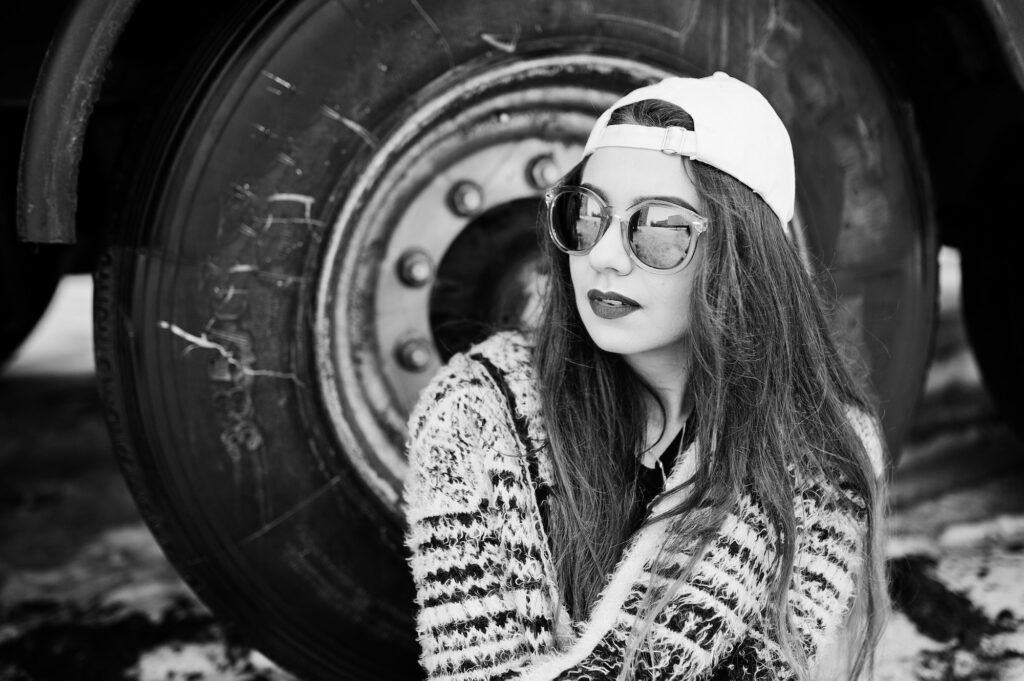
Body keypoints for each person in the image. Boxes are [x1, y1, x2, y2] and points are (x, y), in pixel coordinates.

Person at [403, 71, 887, 681]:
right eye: (586, 214)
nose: (603, 255)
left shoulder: (817, 460)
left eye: (658, 229)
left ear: (743, 257)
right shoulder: (475, 415)